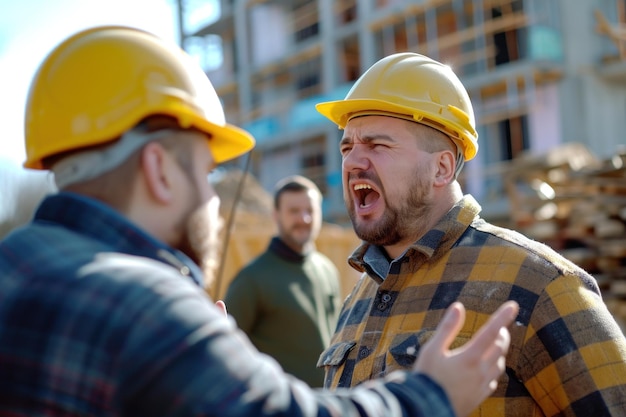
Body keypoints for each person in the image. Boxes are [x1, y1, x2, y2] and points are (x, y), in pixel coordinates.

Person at [0, 26, 519, 417]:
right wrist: (431, 395)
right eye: (206, 173)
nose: (212, 198)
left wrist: (207, 368)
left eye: (379, 144)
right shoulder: (146, 308)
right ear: (158, 169)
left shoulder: (14, 266)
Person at [315, 52, 626, 416]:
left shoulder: (539, 285)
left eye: (377, 145)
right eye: (347, 146)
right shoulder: (358, 298)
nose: (352, 162)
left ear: (441, 168)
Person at [225, 175, 341, 387]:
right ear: (276, 215)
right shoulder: (251, 279)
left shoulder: (327, 270)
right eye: (294, 211)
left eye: (310, 211)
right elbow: (227, 352)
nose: (304, 219)